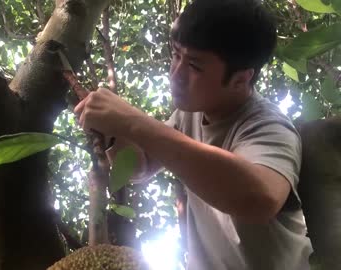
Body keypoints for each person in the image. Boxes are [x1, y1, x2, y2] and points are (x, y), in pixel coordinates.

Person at [74, 0, 314, 269]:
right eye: (176, 55)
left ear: (241, 79)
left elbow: (259, 200)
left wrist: (132, 121)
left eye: (195, 66)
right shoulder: (190, 114)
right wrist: (113, 132)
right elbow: (138, 168)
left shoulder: (268, 126)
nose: (175, 74)